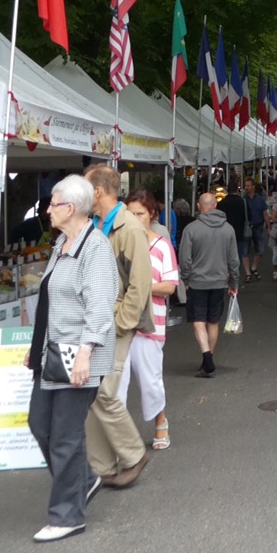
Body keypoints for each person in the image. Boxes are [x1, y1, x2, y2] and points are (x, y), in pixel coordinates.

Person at [25, 174, 119, 542]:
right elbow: (52, 301)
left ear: (72, 208)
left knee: (64, 435)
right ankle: (84, 479)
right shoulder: (62, 244)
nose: (47, 209)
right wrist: (35, 349)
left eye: (52, 203)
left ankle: (67, 515)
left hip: (79, 355)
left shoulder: (94, 248)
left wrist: (85, 353)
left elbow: (98, 306)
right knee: (40, 425)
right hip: (51, 354)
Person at [83, 165, 153, 489]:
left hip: (114, 322)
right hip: (98, 319)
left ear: (98, 191)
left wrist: (123, 322)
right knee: (94, 391)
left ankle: (134, 454)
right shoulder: (97, 223)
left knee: (104, 391)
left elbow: (140, 284)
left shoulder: (129, 228)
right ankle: (102, 467)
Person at [120, 190, 178, 452]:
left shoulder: (162, 245)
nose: (135, 218)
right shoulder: (119, 242)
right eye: (130, 214)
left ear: (152, 214)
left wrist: (142, 285)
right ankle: (118, 436)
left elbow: (170, 286)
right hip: (121, 321)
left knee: (149, 379)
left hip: (151, 321)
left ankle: (160, 422)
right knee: (116, 381)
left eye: (140, 213)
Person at [179, 191, 239, 376]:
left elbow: (184, 259)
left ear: (199, 206)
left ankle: (206, 357)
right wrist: (234, 282)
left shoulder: (191, 229)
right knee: (213, 321)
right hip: (220, 281)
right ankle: (209, 357)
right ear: (215, 206)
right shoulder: (228, 229)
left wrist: (186, 278)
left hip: (197, 282)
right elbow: (234, 260)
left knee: (198, 320)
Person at [217, 182, 249, 280]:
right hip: (239, 231)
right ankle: (235, 274)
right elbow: (248, 216)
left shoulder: (222, 203)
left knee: (225, 254)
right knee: (237, 255)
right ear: (237, 190)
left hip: (224, 232)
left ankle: (226, 273)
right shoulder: (242, 202)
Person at [242, 179, 268, 283]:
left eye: (248, 185)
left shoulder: (260, 200)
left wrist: (268, 227)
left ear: (253, 187)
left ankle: (254, 267)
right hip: (247, 227)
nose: (246, 187)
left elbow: (265, 214)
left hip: (259, 226)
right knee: (245, 251)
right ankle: (248, 273)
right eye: (245, 185)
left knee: (260, 250)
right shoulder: (243, 200)